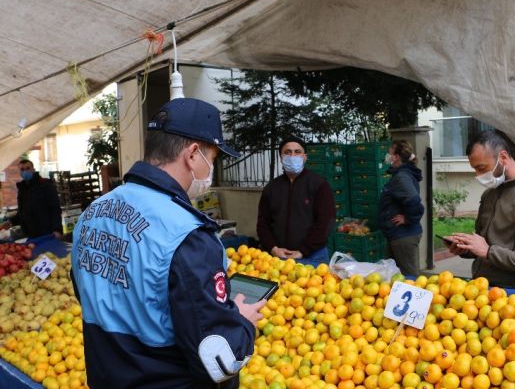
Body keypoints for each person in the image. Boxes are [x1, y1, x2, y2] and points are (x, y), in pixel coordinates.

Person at [70, 98, 264, 389]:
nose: (211, 168)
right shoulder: (187, 235)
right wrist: (244, 324)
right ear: (193, 154)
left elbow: (87, 291)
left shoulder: (92, 214)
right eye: (213, 157)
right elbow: (218, 360)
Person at [443, 130, 515, 291]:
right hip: (480, 290)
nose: (478, 175)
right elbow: (484, 246)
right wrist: (467, 248)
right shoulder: (489, 194)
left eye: (482, 168)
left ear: (503, 157)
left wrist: (488, 251)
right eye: (475, 169)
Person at [257, 136, 335, 266]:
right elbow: (263, 223)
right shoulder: (271, 188)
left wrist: (303, 251)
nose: (292, 155)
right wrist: (273, 248)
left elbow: (326, 222)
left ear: (305, 157)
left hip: (313, 257)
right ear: (281, 157)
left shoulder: (319, 184)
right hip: (279, 259)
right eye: (287, 152)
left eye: (297, 152)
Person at [378, 140, 425, 276]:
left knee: (409, 278)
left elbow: (415, 202)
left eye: (390, 153)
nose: (387, 155)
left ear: (397, 157)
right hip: (398, 235)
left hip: (403, 236)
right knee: (393, 276)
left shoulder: (402, 177)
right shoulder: (402, 174)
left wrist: (408, 219)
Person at [0, 159, 62, 239]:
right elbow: (22, 212)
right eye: (22, 169)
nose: (25, 171)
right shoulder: (22, 189)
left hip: (47, 232)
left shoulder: (45, 185)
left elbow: (55, 208)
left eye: (28, 168)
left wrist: (57, 229)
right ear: (20, 173)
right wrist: (11, 222)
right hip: (30, 234)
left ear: (33, 169)